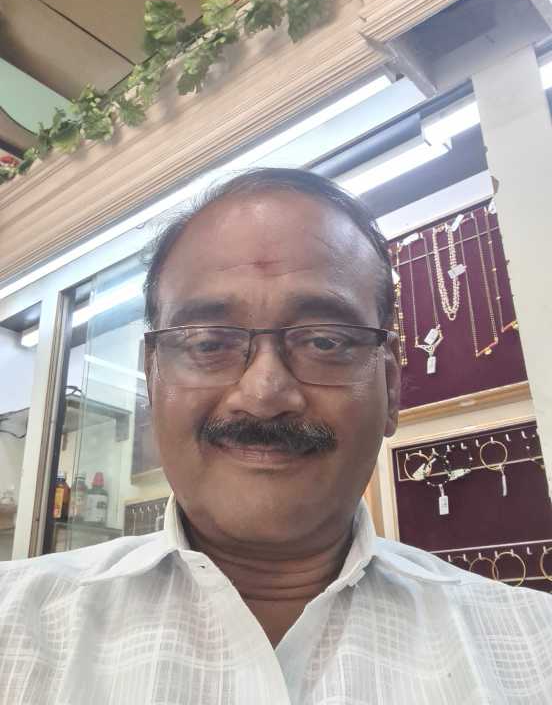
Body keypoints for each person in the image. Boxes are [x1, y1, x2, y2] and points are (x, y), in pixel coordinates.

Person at [0, 168, 550, 705]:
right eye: (208, 342)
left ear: (389, 386)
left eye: (326, 341)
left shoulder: (533, 649)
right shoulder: (15, 625)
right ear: (153, 377)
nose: (263, 392)